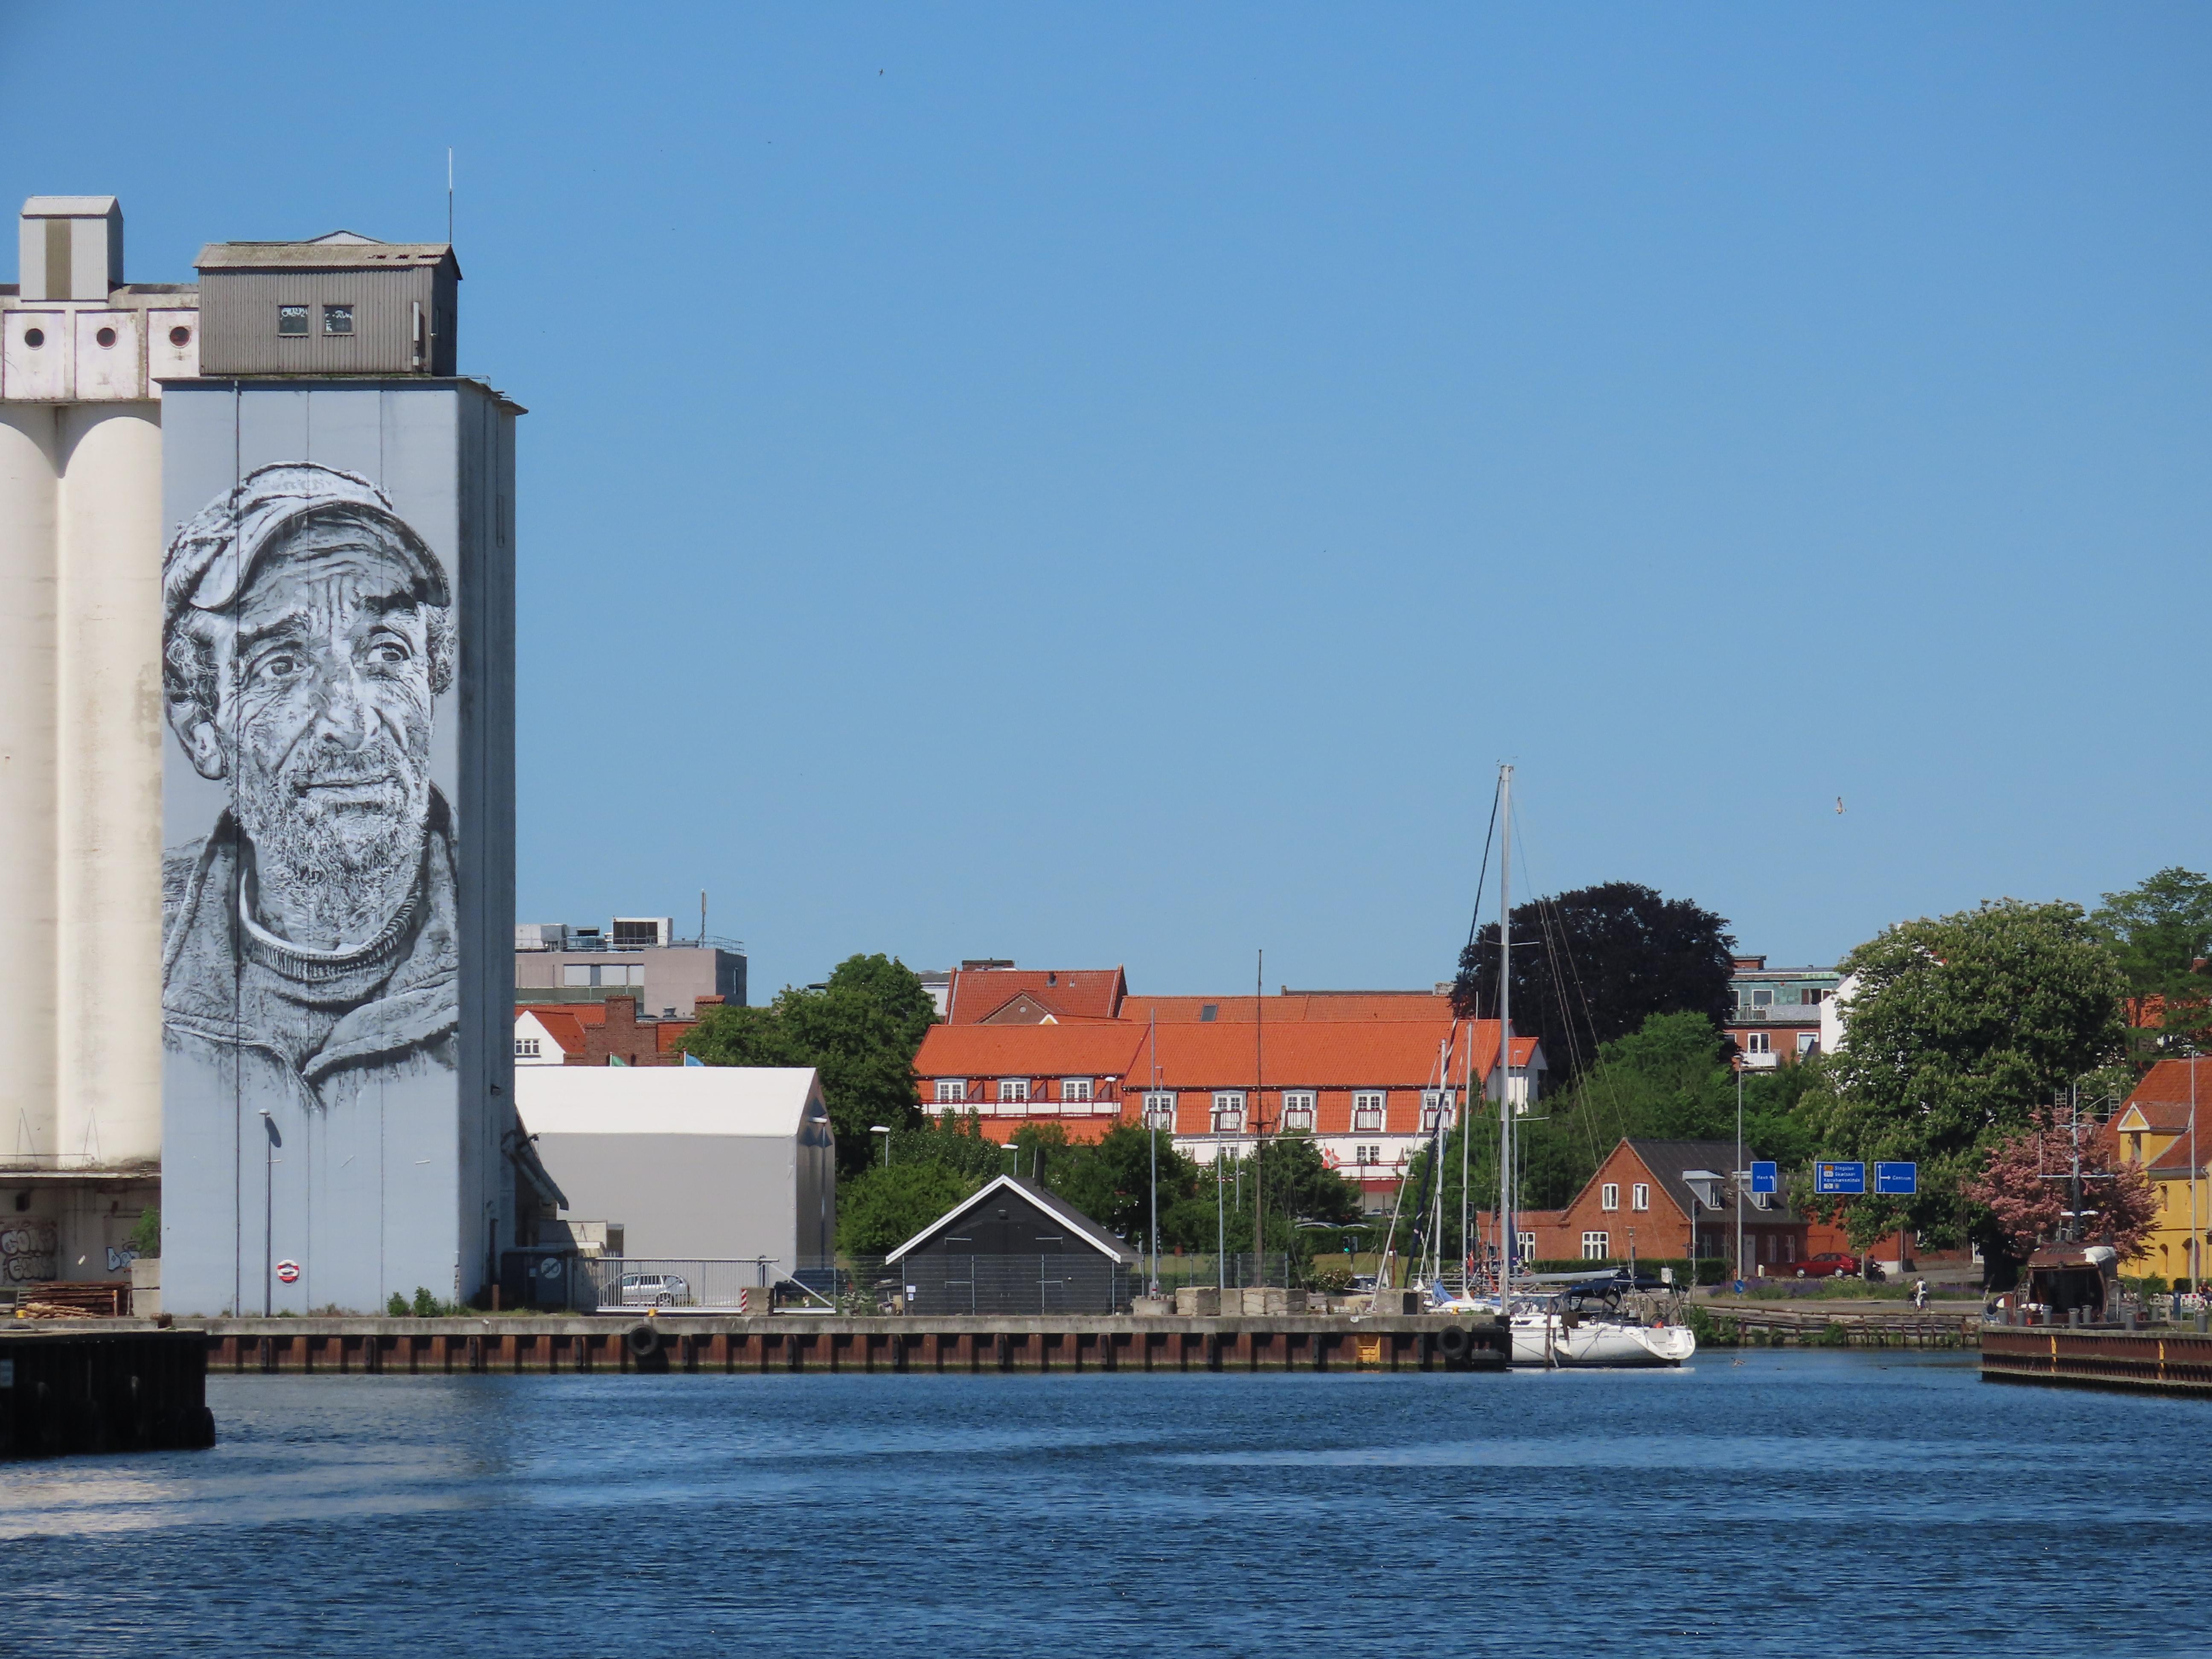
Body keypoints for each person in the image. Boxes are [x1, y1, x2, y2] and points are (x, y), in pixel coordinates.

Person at [160, 463, 459, 1109]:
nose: (351, 725)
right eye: (283, 664)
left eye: (386, 652)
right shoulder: (127, 953)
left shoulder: (487, 950)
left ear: (432, 680)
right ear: (200, 729)